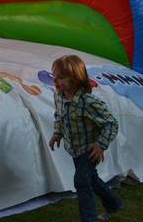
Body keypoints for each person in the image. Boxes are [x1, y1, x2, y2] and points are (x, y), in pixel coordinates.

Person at [48, 54, 124, 222]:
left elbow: (111, 123)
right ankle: (113, 204)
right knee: (92, 179)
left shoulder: (88, 102)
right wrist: (57, 133)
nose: (56, 81)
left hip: (89, 150)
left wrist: (100, 145)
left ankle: (88, 219)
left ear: (75, 79)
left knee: (81, 182)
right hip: (74, 148)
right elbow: (59, 116)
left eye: (61, 78)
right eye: (55, 77)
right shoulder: (59, 96)